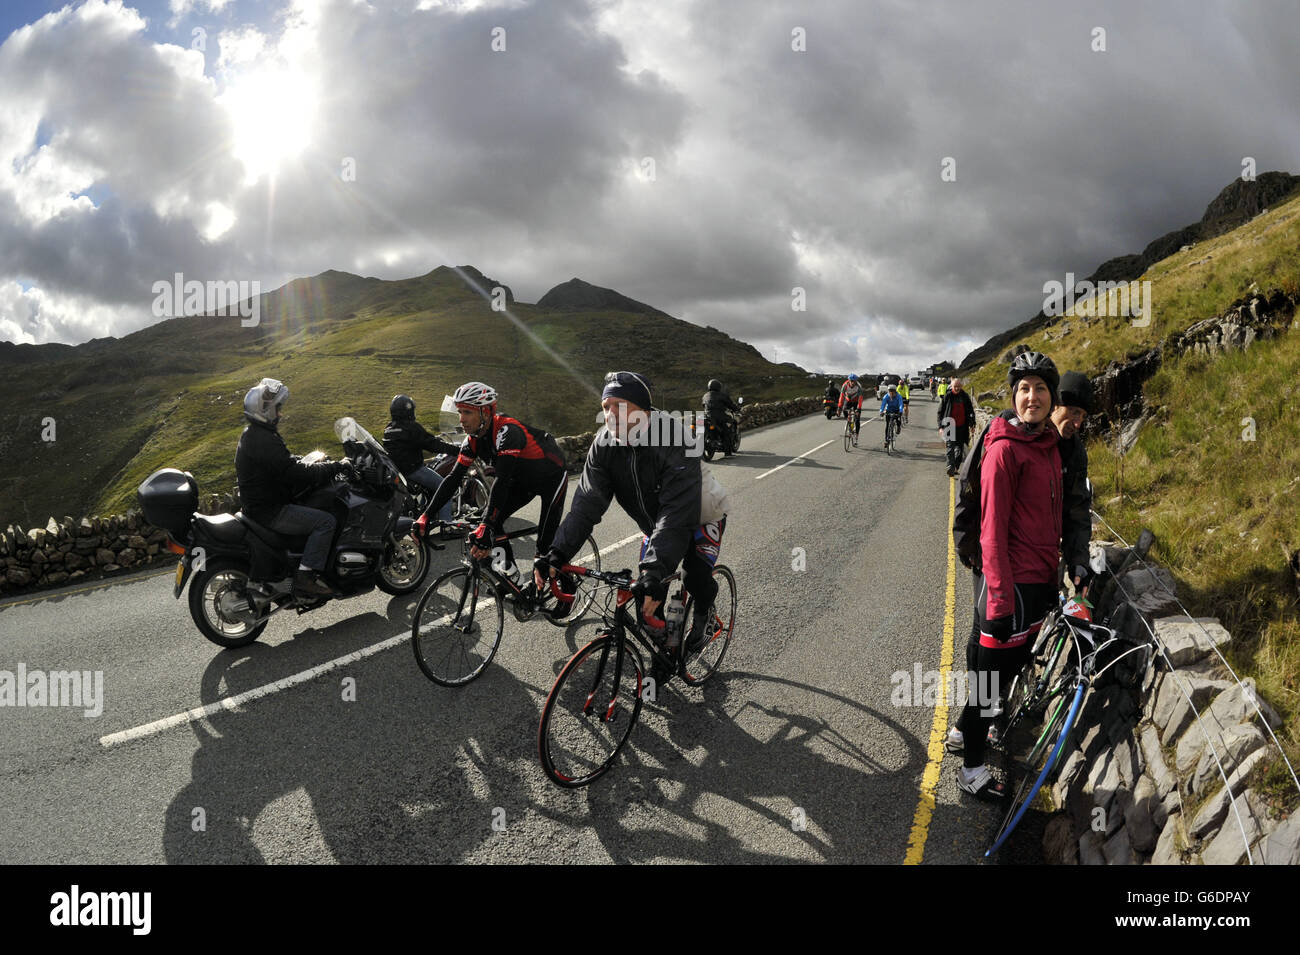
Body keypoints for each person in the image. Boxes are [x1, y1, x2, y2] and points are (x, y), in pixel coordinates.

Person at [538, 371, 728, 668]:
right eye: (605, 407)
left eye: (620, 406)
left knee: (693, 576)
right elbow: (586, 505)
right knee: (647, 597)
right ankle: (667, 651)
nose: (610, 414)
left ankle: (705, 610)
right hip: (658, 526)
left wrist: (654, 569)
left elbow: (677, 514)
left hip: (701, 515)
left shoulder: (676, 437)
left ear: (644, 411)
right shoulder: (604, 445)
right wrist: (556, 552)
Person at [947, 351, 1062, 801]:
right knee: (988, 683)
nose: (1032, 396)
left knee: (1003, 675)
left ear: (1051, 397)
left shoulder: (1048, 445)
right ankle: (971, 771)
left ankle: (965, 734)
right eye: (1024, 389)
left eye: (1040, 388)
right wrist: (998, 596)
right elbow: (991, 532)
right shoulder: (1005, 450)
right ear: (1013, 396)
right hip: (1008, 587)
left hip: (1037, 583)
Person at [417, 381, 567, 582]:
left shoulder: (507, 432)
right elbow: (453, 478)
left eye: (467, 413)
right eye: (460, 412)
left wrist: (487, 523)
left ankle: (567, 589)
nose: (461, 419)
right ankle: (512, 578)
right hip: (523, 480)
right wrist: (425, 515)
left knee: (543, 553)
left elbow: (502, 480)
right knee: (490, 524)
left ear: (486, 412)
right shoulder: (473, 439)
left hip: (551, 477)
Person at [235, 377, 351, 597]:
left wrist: (304, 460)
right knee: (326, 522)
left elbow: (281, 462)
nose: (280, 414)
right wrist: (335, 467)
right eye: (277, 408)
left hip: (260, 506)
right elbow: (294, 473)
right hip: (271, 510)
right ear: (265, 410)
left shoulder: (255, 435)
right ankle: (305, 577)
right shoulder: (263, 438)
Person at [382, 394, 457, 522]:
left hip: (399, 471)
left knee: (432, 484)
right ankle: (447, 525)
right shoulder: (411, 427)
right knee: (446, 488)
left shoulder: (389, 428)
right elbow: (432, 444)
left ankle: (428, 517)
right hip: (413, 470)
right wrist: (457, 450)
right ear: (409, 411)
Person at [1052, 371, 1094, 596]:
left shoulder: (1075, 452)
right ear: (1055, 404)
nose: (1078, 424)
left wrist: (1078, 561)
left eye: (1083, 416)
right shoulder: (1023, 436)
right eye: (1074, 412)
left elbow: (1077, 509)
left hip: (1044, 561)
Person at [937, 377, 976, 477]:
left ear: (961, 386)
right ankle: (950, 466)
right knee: (950, 447)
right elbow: (940, 412)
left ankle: (956, 467)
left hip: (962, 426)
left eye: (959, 386)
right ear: (952, 386)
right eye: (955, 386)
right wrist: (940, 426)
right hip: (949, 424)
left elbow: (970, 411)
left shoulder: (965, 396)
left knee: (959, 449)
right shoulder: (948, 396)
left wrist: (972, 424)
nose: (957, 388)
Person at [702, 379, 742, 454]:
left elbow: (704, 405)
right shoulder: (722, 395)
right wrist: (737, 408)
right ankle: (727, 453)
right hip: (719, 416)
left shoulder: (705, 396)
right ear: (718, 387)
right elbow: (731, 405)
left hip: (707, 416)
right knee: (727, 430)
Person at [879, 381, 904, 446]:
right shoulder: (886, 397)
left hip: (896, 410)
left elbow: (901, 404)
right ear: (888, 391)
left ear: (895, 391)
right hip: (889, 410)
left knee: (898, 420)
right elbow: (883, 405)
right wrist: (881, 411)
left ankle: (898, 426)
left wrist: (901, 411)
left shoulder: (899, 396)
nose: (891, 393)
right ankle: (886, 440)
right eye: (890, 391)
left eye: (893, 391)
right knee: (887, 425)